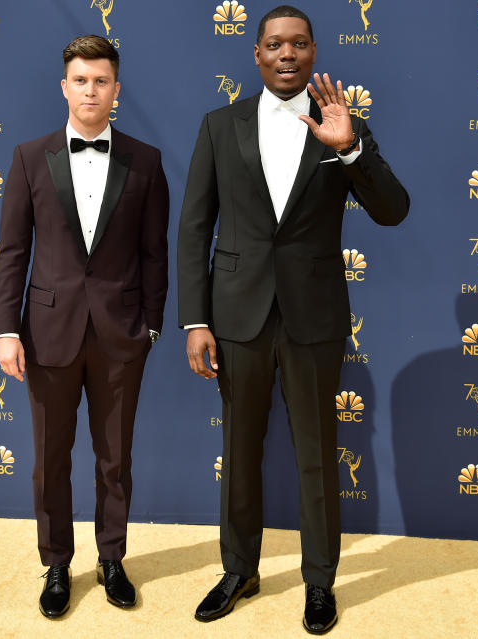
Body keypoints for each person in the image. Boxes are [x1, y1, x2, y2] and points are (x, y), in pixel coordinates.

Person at [177, 5, 409, 634]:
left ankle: (319, 582)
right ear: (256, 55)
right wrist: (195, 319)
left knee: (316, 452)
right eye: (274, 44)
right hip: (236, 315)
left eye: (299, 44)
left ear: (313, 52)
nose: (287, 54)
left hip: (314, 314)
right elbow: (195, 226)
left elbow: (393, 210)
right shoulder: (218, 125)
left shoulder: (344, 125)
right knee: (239, 448)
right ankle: (239, 570)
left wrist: (352, 149)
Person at [0, 34, 169, 619]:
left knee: (115, 456)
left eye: (101, 80)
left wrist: (152, 326)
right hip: (46, 332)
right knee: (51, 456)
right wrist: (6, 329)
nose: (90, 90)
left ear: (116, 89)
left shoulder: (146, 161)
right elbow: (12, 251)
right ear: (63, 86)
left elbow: (154, 253)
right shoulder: (27, 157)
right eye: (80, 79)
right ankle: (57, 562)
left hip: (122, 333)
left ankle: (112, 557)